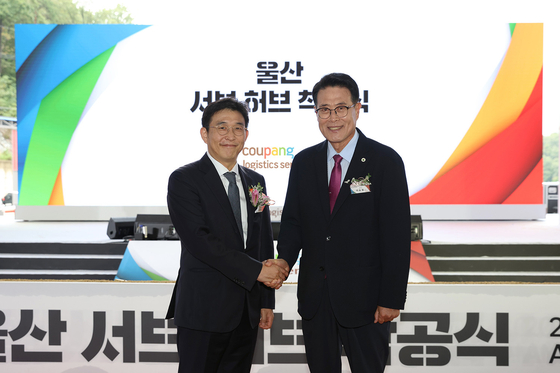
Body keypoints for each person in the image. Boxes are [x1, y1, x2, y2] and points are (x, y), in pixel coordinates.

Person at [270, 73, 411, 372]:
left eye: (341, 108)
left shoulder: (385, 161)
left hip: (367, 301)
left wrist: (391, 297)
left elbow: (396, 236)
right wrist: (283, 261)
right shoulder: (304, 162)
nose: (332, 118)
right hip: (315, 299)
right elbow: (294, 222)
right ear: (316, 113)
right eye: (324, 109)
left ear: (357, 109)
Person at [166, 97, 288, 373]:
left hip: (246, 312)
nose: (230, 136)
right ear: (204, 133)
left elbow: (263, 240)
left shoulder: (256, 181)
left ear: (246, 135)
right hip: (203, 311)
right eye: (221, 127)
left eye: (238, 128)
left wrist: (266, 300)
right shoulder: (185, 179)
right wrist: (258, 272)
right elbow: (200, 241)